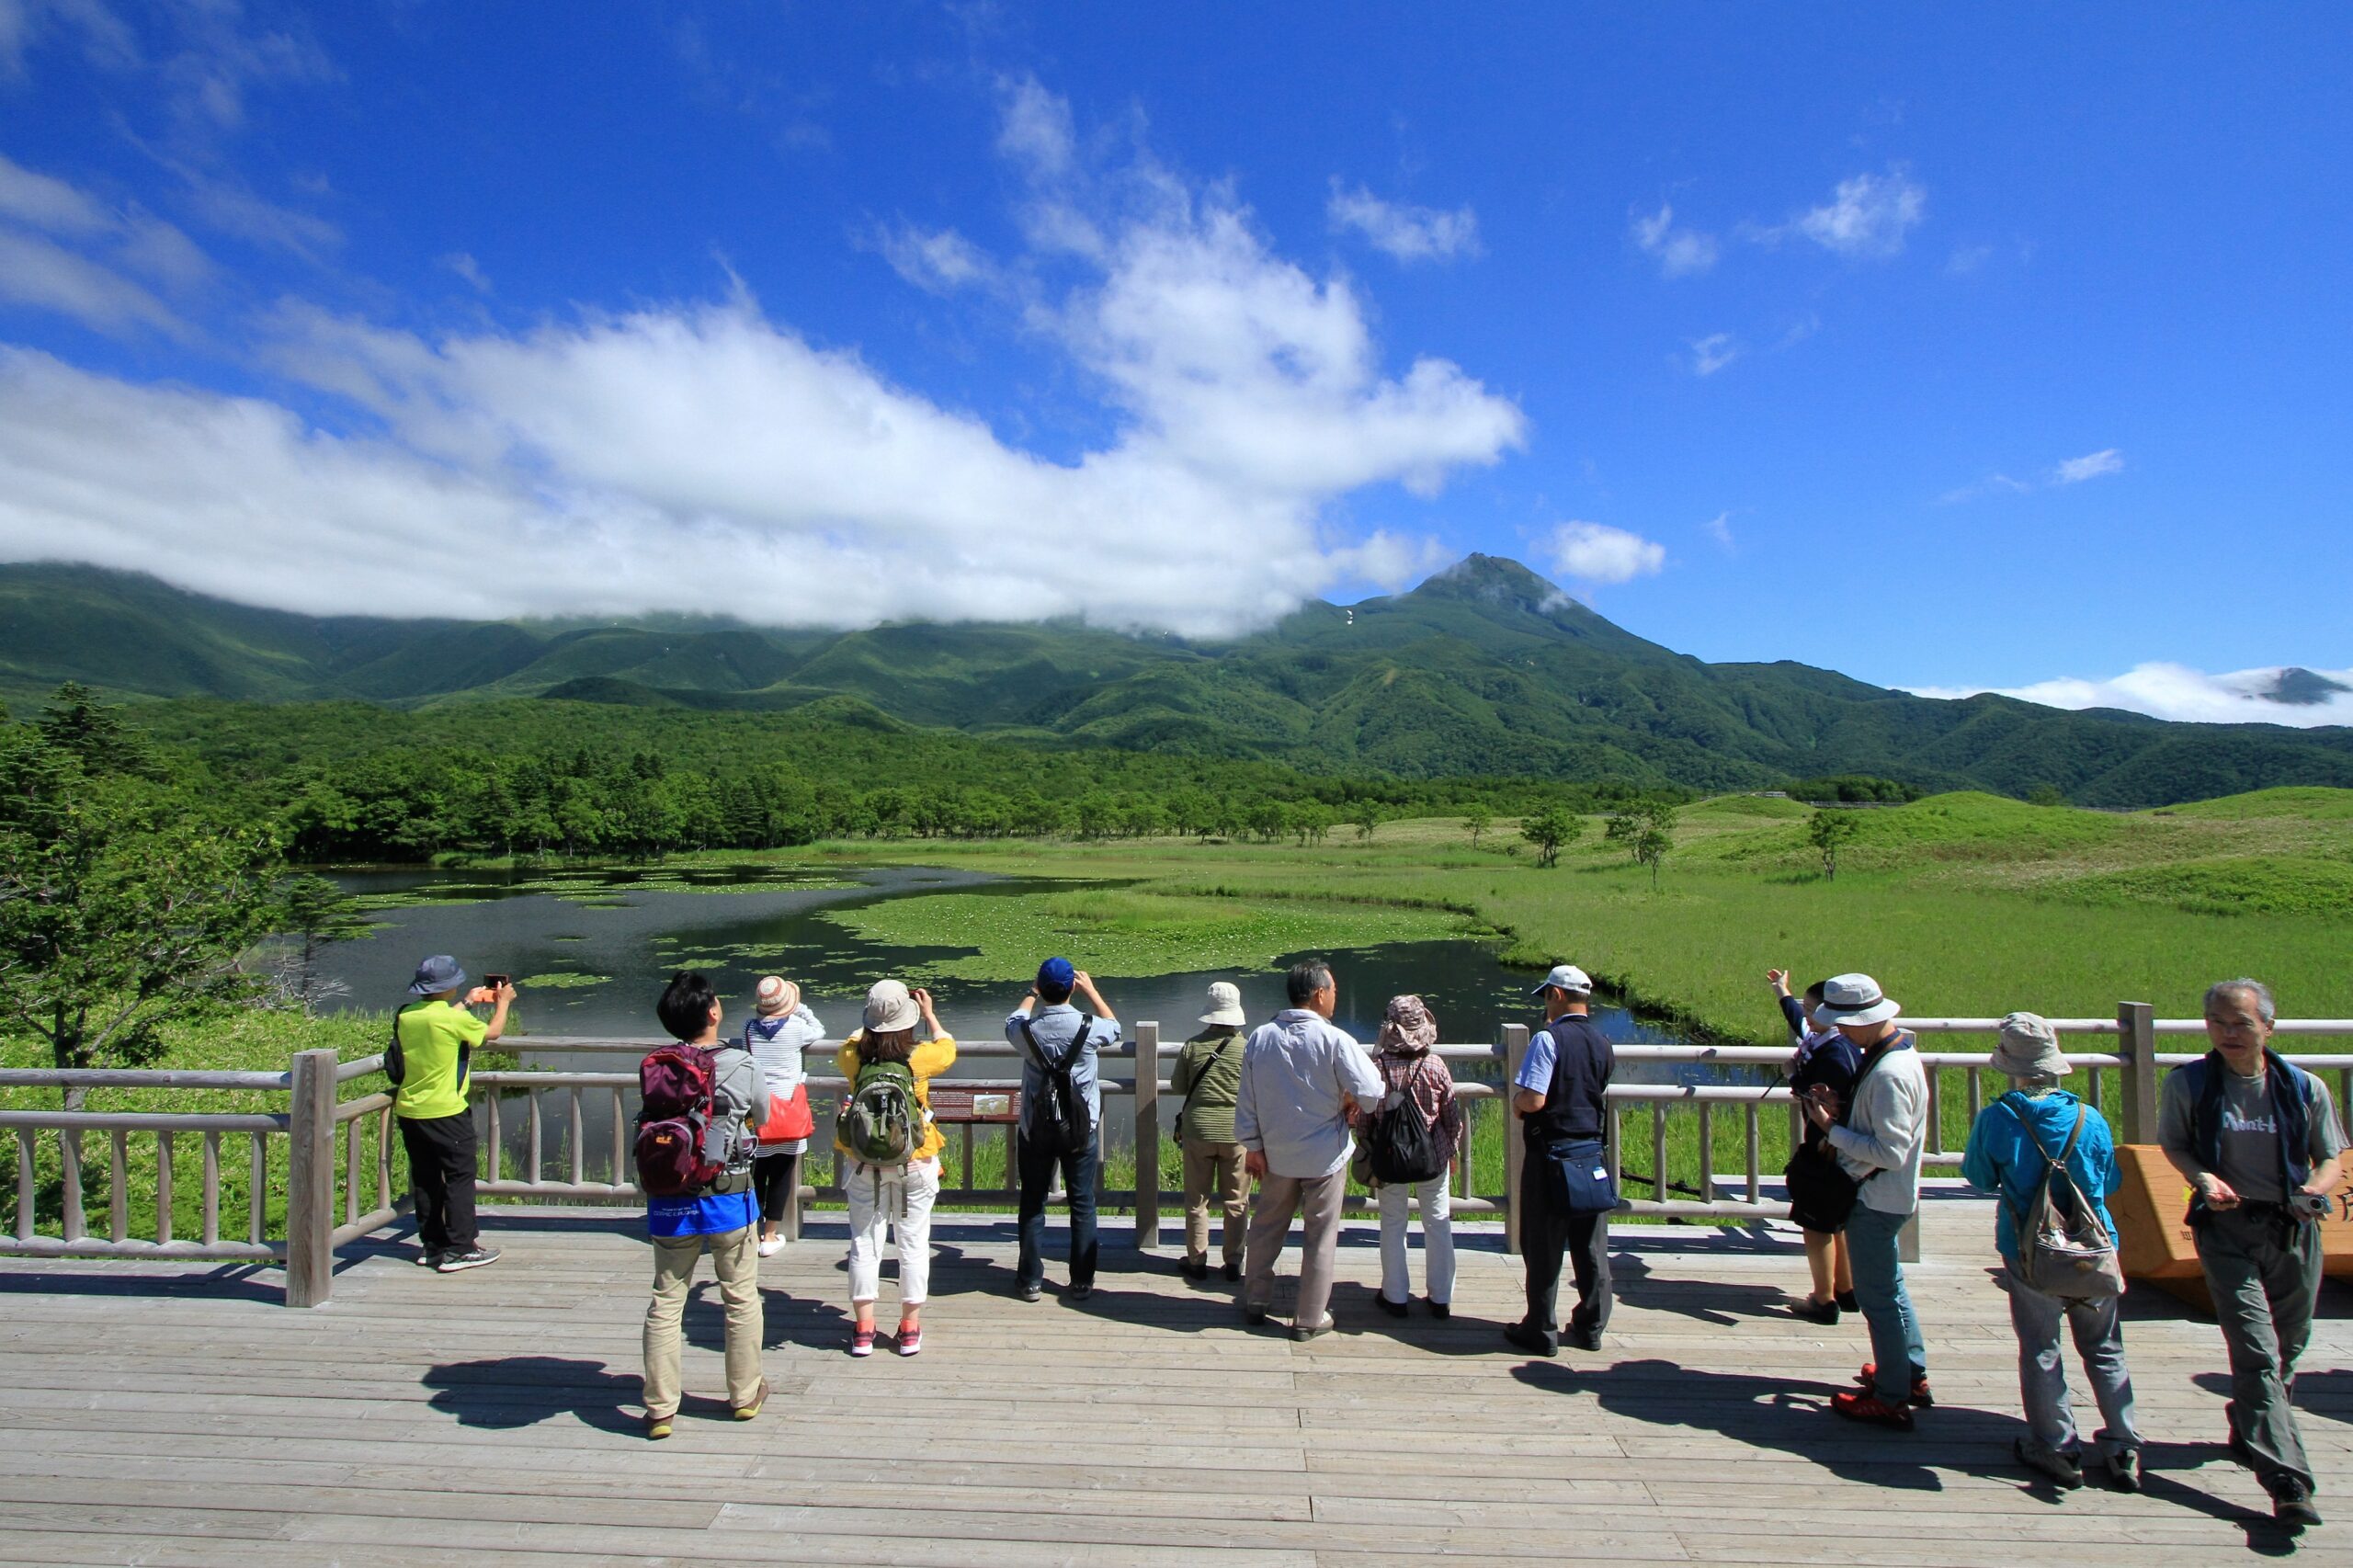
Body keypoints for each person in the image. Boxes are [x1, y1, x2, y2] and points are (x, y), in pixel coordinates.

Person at [2159, 978, 2347, 1529]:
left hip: (2291, 1227)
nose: (2228, 1034)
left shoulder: (2303, 1087)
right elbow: (2176, 1144)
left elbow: (2331, 1156)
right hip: (2227, 1228)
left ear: (2269, 1025)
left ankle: (2250, 1422)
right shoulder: (2190, 1083)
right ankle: (2287, 1478)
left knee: (2290, 1344)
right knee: (2257, 1349)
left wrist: (2314, 1191)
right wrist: (2203, 1178)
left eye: (2240, 1023)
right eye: (2217, 1022)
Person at [1961, 1013, 2142, 1491]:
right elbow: (2111, 1182)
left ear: (2009, 1066)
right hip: (2096, 1252)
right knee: (2105, 1347)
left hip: (2030, 1254)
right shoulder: (2091, 1118)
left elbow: (1979, 1177)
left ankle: (2057, 1447)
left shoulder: (1998, 1118)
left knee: (2042, 1348)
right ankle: (2124, 1445)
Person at [641, 971, 767, 1439]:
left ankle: (660, 1408)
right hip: (728, 1195)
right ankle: (744, 1394)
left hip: (670, 1198)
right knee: (739, 1297)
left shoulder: (658, 1063)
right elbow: (767, 1116)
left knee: (665, 1301)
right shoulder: (740, 1062)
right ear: (712, 1012)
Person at [1805, 972, 1931, 1430]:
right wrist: (1842, 1110)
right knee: (1890, 1287)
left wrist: (1829, 1129)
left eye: (1842, 1022)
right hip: (1888, 1197)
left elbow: (1890, 1151)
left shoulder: (1892, 1072)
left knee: (1877, 1299)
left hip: (1877, 1197)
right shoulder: (1891, 1054)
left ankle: (1892, 1396)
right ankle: (1909, 1372)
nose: (1839, 1031)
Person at [1235, 960, 1383, 1341]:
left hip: (1275, 1153)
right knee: (1321, 1236)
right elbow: (1371, 1093)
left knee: (1266, 1228)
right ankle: (1309, 1317)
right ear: (1319, 994)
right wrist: (1346, 1096)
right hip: (1324, 1154)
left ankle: (1255, 1301)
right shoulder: (1336, 1040)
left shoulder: (1261, 1036)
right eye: (1333, 990)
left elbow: (1246, 1099)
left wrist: (1252, 1146)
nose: (1335, 997)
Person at [836, 979, 956, 1358]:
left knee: (864, 1244)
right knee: (913, 1244)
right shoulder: (919, 1058)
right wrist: (930, 1014)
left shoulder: (853, 1056)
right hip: (915, 1162)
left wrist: (872, 1018)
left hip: (862, 1164)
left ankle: (863, 1329)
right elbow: (948, 1048)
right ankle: (909, 1328)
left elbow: (852, 1040)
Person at [1506, 964, 1616, 1357]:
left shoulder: (1547, 1040)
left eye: (1545, 997)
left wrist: (1516, 1103)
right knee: (1590, 1246)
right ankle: (1591, 1327)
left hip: (1550, 1154)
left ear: (1555, 995)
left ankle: (1540, 1328)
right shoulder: (1603, 1042)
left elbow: (1534, 1099)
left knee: (1542, 1244)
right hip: (1591, 1153)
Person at [1006, 958, 1120, 1302]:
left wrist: (1030, 994)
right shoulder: (1088, 1027)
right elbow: (1115, 1027)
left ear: (1041, 989)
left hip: (1035, 1128)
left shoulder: (1027, 1031)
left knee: (1032, 1203)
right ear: (1072, 987)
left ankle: (1030, 1281)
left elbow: (1013, 1020)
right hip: (1081, 1130)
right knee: (1083, 1203)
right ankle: (1082, 1281)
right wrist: (1093, 992)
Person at [392, 954, 511, 1273]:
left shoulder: (407, 1015)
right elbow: (492, 1034)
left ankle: (433, 1246)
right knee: (460, 1177)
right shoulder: (451, 1019)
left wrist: (468, 1003)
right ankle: (460, 1248)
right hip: (446, 1111)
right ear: (450, 986)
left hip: (410, 1109)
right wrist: (504, 1003)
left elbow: (440, 1022)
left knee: (425, 1178)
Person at [1770, 969, 1860, 1323]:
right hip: (1837, 1145)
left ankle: (1823, 1300)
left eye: (1811, 1009)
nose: (1806, 1015)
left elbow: (1825, 1098)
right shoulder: (1834, 1039)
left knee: (1819, 1222)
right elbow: (1800, 1025)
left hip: (1828, 1146)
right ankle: (1846, 1289)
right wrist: (1782, 992)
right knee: (1838, 1221)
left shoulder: (1835, 1052)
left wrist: (1795, 1075)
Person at [1370, 994, 1465, 1319]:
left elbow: (1367, 1116)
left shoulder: (1378, 1066)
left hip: (1389, 1157)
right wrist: (1451, 1150)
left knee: (1393, 1223)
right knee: (1437, 1223)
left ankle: (1395, 1296)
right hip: (1432, 1157)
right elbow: (1452, 1118)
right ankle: (1441, 1298)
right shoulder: (1435, 1065)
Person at [1171, 980, 1250, 1282]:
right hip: (1237, 1132)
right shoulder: (1247, 1048)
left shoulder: (1192, 1045)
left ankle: (1196, 1259)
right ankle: (1233, 1261)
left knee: (1197, 1200)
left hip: (1198, 1130)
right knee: (1236, 1201)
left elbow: (1178, 1086)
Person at [742, 975, 823, 1257]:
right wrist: (800, 1008)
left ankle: (751, 1229)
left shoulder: (749, 1029)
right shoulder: (798, 1027)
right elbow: (819, 1030)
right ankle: (770, 1234)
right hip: (789, 1111)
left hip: (759, 1111)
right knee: (781, 1174)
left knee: (757, 1172)